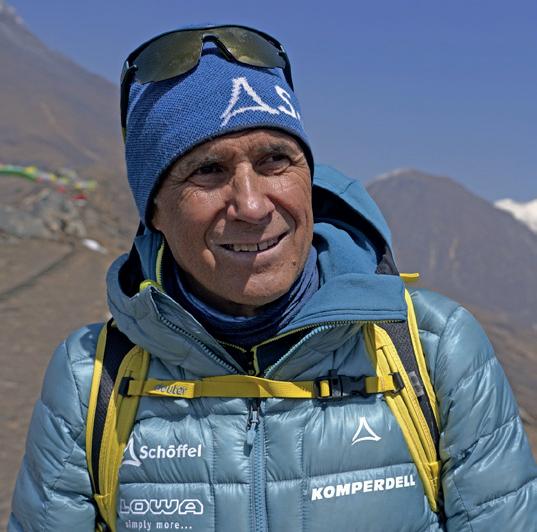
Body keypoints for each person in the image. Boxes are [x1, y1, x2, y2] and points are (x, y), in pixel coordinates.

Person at [9, 24, 537, 532]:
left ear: (309, 178)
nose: (252, 205)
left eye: (275, 160)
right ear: (155, 212)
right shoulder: (90, 381)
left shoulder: (435, 351)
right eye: (207, 170)